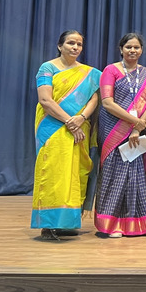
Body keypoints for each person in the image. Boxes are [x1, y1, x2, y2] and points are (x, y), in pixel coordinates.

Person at [32, 30, 101, 240]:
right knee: (54, 173)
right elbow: (45, 100)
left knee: (76, 173)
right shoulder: (48, 68)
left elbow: (94, 98)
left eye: (79, 44)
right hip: (52, 127)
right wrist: (70, 121)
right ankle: (48, 225)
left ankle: (67, 223)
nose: (75, 47)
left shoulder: (90, 74)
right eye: (71, 43)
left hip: (79, 128)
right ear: (60, 46)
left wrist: (81, 118)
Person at [94, 33, 146, 238]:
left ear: (141, 50)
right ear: (121, 49)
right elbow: (107, 102)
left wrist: (138, 128)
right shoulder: (111, 70)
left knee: (135, 174)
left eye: (136, 47)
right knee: (113, 173)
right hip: (113, 128)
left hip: (137, 132)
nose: (132, 50)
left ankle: (135, 223)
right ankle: (111, 225)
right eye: (128, 47)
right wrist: (134, 122)